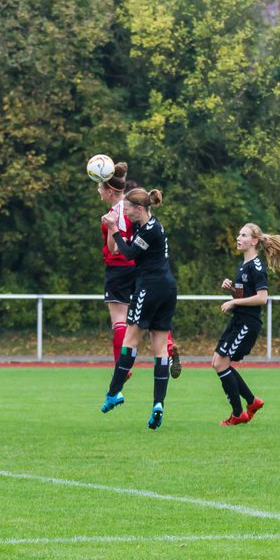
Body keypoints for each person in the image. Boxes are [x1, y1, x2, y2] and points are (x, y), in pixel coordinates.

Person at [99, 188, 177, 430]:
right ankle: (158, 404)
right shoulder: (150, 225)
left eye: (129, 208)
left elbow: (130, 254)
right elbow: (127, 242)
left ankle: (113, 392)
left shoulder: (150, 230)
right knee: (160, 348)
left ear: (140, 209)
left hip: (150, 287)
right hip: (167, 288)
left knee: (130, 341)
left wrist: (113, 229)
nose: (125, 211)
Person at [97, 163, 180, 378]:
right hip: (140, 269)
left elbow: (116, 249)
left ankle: (121, 368)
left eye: (99, 187)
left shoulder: (117, 212)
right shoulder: (134, 208)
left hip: (119, 268)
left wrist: (110, 229)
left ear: (109, 191)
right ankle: (169, 346)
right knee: (154, 318)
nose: (98, 191)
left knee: (119, 320)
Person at [214, 224, 280, 426]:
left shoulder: (257, 267)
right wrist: (232, 291)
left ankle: (238, 413)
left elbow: (261, 298)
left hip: (247, 324)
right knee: (217, 361)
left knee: (220, 364)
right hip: (238, 321)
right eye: (238, 234)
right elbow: (246, 296)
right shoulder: (243, 266)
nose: (238, 238)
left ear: (254, 241)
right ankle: (251, 402)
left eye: (243, 235)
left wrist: (233, 302)